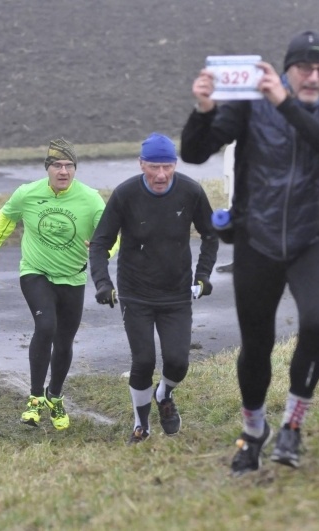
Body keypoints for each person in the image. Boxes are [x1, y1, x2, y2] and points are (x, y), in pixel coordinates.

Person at [180, 30, 319, 475]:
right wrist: (203, 110)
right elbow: (195, 152)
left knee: (316, 322)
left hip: (309, 239)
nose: (314, 77)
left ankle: (292, 425)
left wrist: (286, 103)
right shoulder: (249, 103)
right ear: (287, 68)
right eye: (305, 69)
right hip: (256, 240)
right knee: (256, 346)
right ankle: (253, 431)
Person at [89, 133, 219, 444]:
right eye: (153, 167)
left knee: (178, 361)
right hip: (136, 292)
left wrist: (202, 276)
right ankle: (141, 425)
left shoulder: (191, 191)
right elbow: (100, 244)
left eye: (167, 167)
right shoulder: (125, 195)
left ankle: (165, 394)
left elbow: (211, 234)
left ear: (174, 164)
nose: (161, 175)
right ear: (141, 164)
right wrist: (103, 283)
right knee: (144, 360)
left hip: (176, 293)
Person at [0, 139, 105, 430]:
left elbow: (111, 234)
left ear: (75, 169)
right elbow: (4, 220)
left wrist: (102, 250)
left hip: (73, 276)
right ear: (47, 168)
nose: (63, 171)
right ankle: (34, 399)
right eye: (57, 165)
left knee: (64, 341)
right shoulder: (27, 194)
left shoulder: (91, 199)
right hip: (35, 272)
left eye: (69, 166)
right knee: (46, 327)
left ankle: (55, 396)